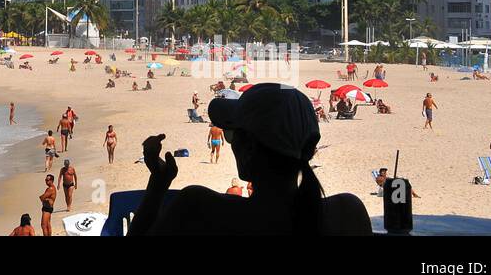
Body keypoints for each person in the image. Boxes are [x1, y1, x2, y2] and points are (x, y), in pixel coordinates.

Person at [127, 84, 371, 236]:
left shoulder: (199, 207)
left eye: (232, 135)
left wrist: (158, 185)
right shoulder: (348, 213)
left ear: (248, 149)